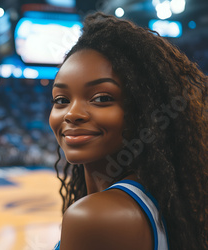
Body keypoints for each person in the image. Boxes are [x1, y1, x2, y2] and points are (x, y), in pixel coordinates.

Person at [49, 12, 208, 250]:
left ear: (145, 111)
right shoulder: (160, 199)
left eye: (101, 98)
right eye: (61, 99)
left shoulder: (95, 217)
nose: (72, 113)